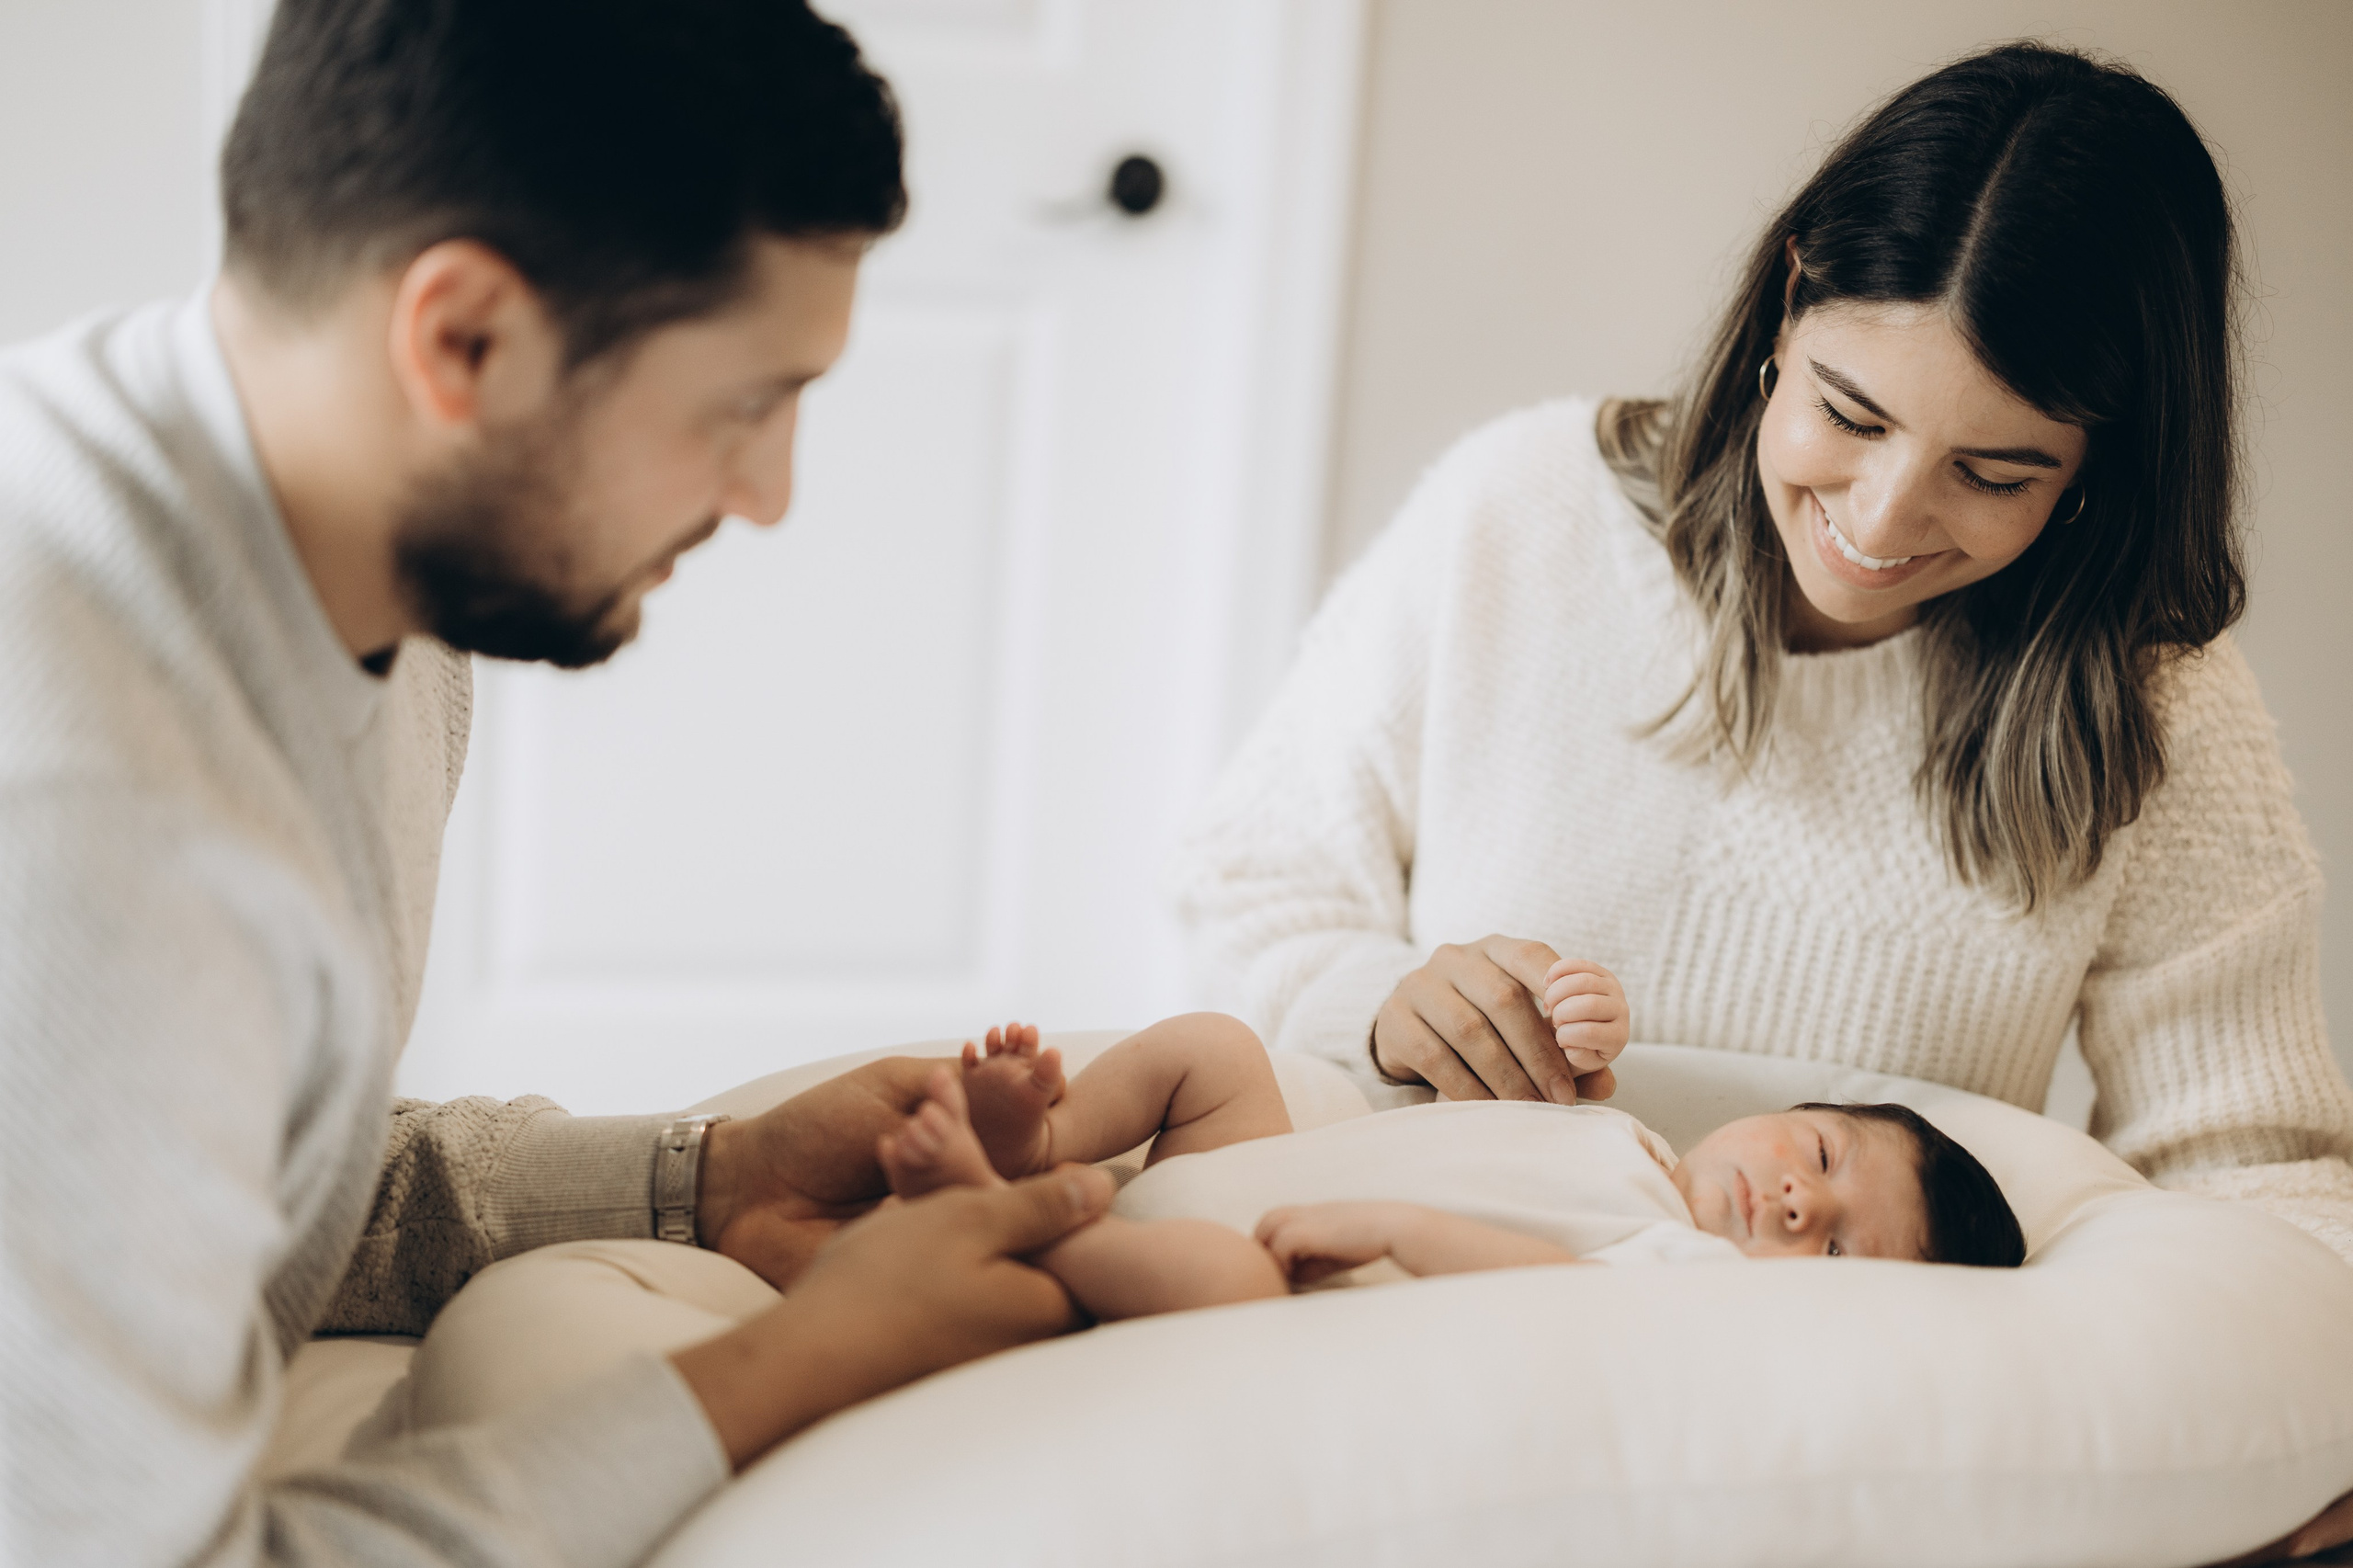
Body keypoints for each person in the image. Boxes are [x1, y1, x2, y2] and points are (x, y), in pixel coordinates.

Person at [1171, 40, 2353, 1560]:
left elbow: (2262, 1184)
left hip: (1829, 1473)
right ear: (1789, 301)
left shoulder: (2154, 703)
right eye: (1852, 417)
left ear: (2097, 477)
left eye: (1995, 472)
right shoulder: (1520, 516)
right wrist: (1384, 1000)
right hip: (1423, 1382)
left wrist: (2240, 1459)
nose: (1881, 523)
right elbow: (1245, 891)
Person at [0, 4, 1112, 1566]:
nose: (772, 496)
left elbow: (216, 1176)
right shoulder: (94, 821)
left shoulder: (335, 579)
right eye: (743, 404)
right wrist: (787, 1370)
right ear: (461, 340)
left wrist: (700, 1182)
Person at [868, 1013, 2024, 1324]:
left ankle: (1017, 1209)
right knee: (1213, 1049)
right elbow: (1473, 1098)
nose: (1795, 1196)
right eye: (1819, 1154)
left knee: (1226, 1281)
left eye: (1829, 1247)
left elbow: (1538, 1276)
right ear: (1782, 1112)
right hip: (1258, 1157)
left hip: (1270, 1254)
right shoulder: (1628, 1136)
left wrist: (1392, 1229)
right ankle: (1044, 1142)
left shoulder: (1682, 1272)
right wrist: (1571, 1014)